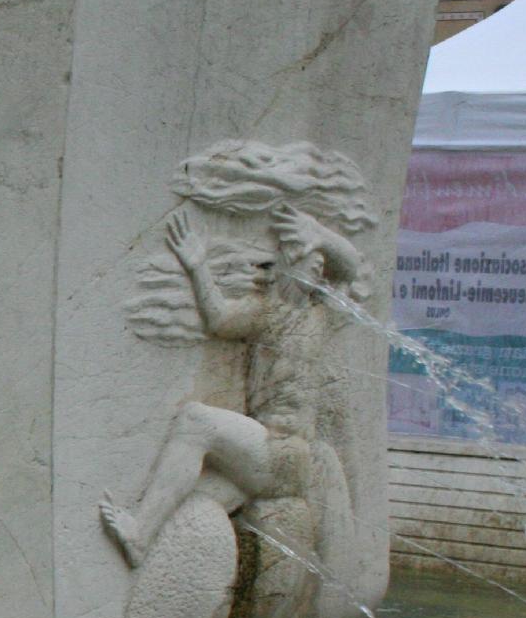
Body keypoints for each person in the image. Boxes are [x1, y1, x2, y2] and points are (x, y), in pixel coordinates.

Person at [100, 205, 362, 568]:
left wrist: (318, 233)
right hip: (261, 455)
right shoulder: (264, 312)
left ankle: (139, 533)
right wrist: (197, 266)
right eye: (307, 259)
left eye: (321, 264)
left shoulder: (322, 316)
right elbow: (219, 319)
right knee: (192, 509)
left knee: (195, 421)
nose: (318, 265)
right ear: (284, 266)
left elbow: (354, 268)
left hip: (286, 452)